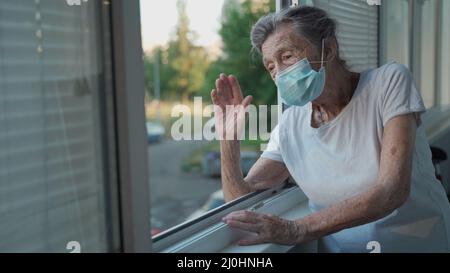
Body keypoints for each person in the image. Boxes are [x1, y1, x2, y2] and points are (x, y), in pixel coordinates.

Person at [210, 5, 450, 252]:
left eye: (287, 56)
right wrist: (228, 139)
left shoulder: (388, 82)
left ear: (330, 49)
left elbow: (392, 191)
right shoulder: (289, 127)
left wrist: (296, 229)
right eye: (271, 66)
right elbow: (239, 202)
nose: (280, 74)